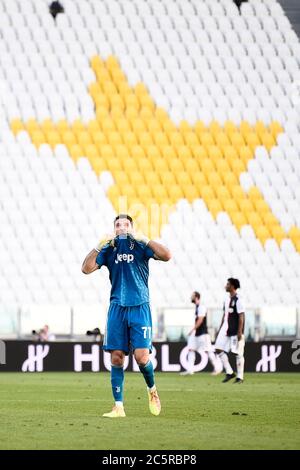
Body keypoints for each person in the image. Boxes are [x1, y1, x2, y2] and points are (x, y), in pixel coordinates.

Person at [81, 214, 171, 418]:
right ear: (114, 229)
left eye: (125, 225)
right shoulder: (109, 248)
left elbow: (167, 256)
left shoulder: (140, 246)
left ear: (131, 228)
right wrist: (97, 246)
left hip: (139, 306)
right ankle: (118, 407)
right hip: (117, 308)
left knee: (141, 357)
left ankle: (152, 390)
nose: (121, 228)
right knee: (116, 357)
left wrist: (145, 239)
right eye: (118, 225)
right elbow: (86, 269)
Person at [181, 291, 222, 375]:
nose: (191, 298)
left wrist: (193, 329)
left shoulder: (201, 307)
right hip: (197, 334)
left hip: (203, 334)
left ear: (196, 297)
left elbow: (200, 320)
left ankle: (217, 368)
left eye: (192, 296)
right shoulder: (197, 307)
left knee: (209, 351)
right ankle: (190, 370)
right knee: (191, 349)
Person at [215, 278, 245, 384]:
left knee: (238, 353)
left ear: (232, 286)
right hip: (226, 328)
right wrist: (220, 328)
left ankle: (240, 377)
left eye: (227, 284)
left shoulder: (239, 299)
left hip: (235, 329)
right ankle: (230, 372)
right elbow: (225, 314)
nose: (226, 286)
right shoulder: (226, 299)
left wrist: (240, 332)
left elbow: (241, 316)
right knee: (218, 348)